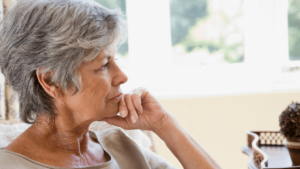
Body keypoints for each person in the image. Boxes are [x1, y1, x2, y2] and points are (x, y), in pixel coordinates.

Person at [0, 0, 221, 168]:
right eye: (104, 65)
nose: (122, 77)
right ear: (51, 80)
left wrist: (164, 124)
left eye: (115, 60)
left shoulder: (121, 146)